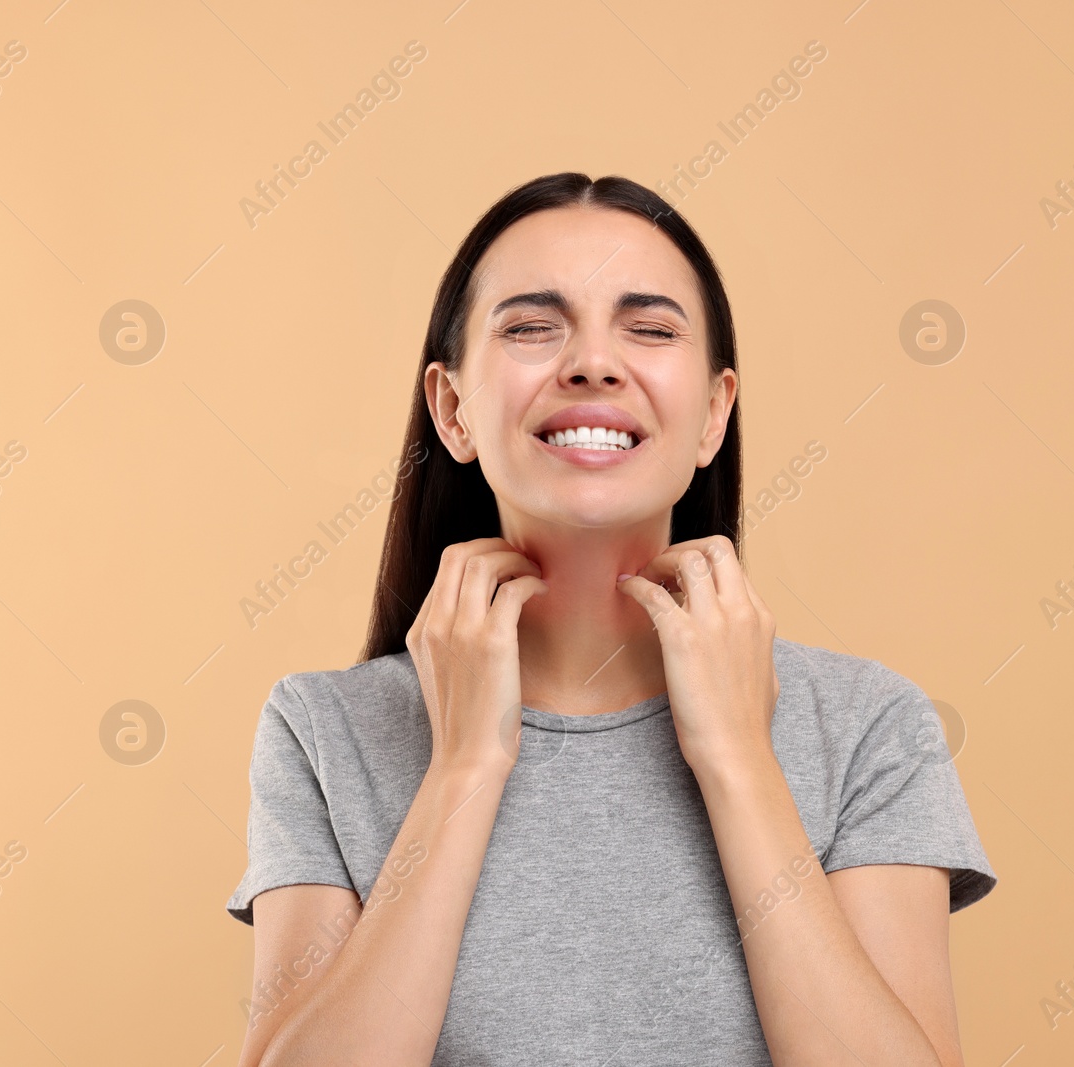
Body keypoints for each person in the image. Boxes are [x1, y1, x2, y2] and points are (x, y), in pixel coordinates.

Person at [226, 172, 996, 1066]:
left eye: (651, 328)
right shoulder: (324, 732)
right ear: (452, 409)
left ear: (713, 413)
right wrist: (466, 765)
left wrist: (741, 759)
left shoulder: (869, 726)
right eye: (530, 326)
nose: (593, 362)